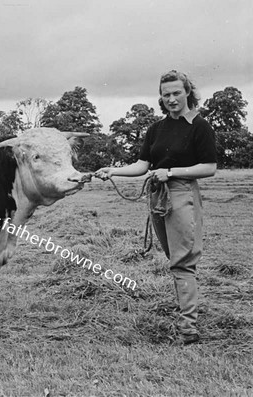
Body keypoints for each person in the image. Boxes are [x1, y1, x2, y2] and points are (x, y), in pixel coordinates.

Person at [96, 70, 217, 345]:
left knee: (182, 262)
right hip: (158, 196)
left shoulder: (199, 125)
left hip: (182, 193)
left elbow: (209, 167)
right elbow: (142, 166)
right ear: (160, 98)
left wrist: (171, 172)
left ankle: (188, 328)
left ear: (188, 92)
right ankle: (186, 313)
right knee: (173, 258)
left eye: (177, 93)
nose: (172, 99)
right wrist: (112, 170)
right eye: (166, 95)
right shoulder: (156, 129)